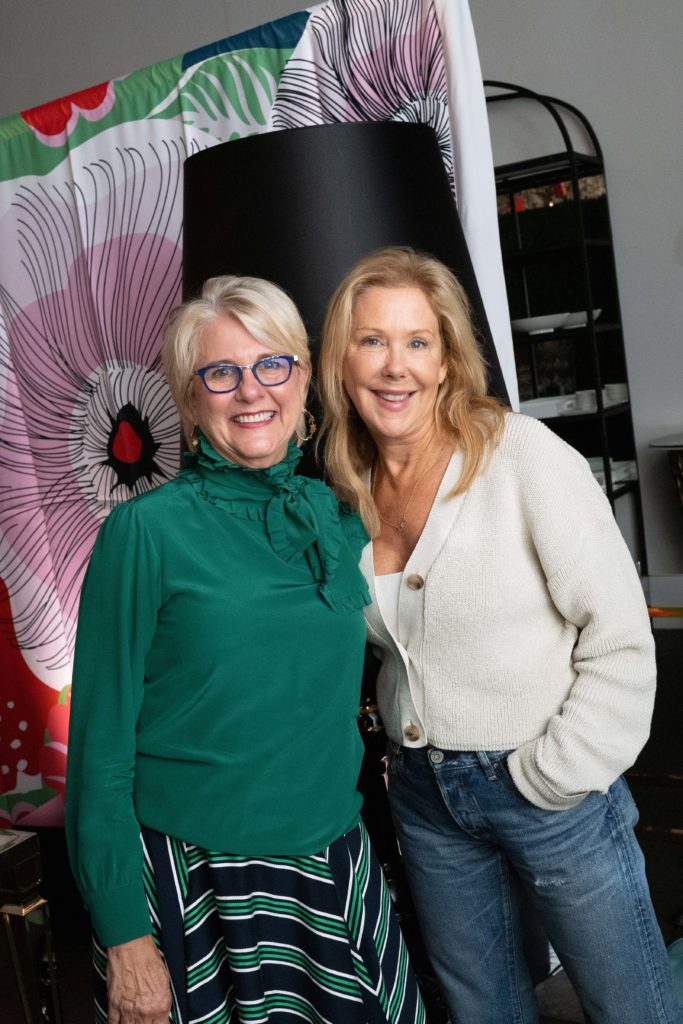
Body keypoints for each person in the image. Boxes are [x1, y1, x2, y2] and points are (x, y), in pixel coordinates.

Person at [318, 246, 681, 1024]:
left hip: (548, 786)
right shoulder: (345, 484)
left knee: (631, 1009)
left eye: (417, 342)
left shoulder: (520, 456)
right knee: (482, 1011)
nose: (394, 366)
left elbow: (619, 637)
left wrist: (553, 773)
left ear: (448, 361)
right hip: (423, 795)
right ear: (341, 362)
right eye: (371, 340)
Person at [66, 274, 426, 1024]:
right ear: (190, 400)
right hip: (201, 879)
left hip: (335, 859)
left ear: (302, 381)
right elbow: (98, 753)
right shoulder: (144, 533)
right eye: (220, 373)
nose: (250, 390)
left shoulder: (338, 510)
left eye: (272, 365)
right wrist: (125, 934)